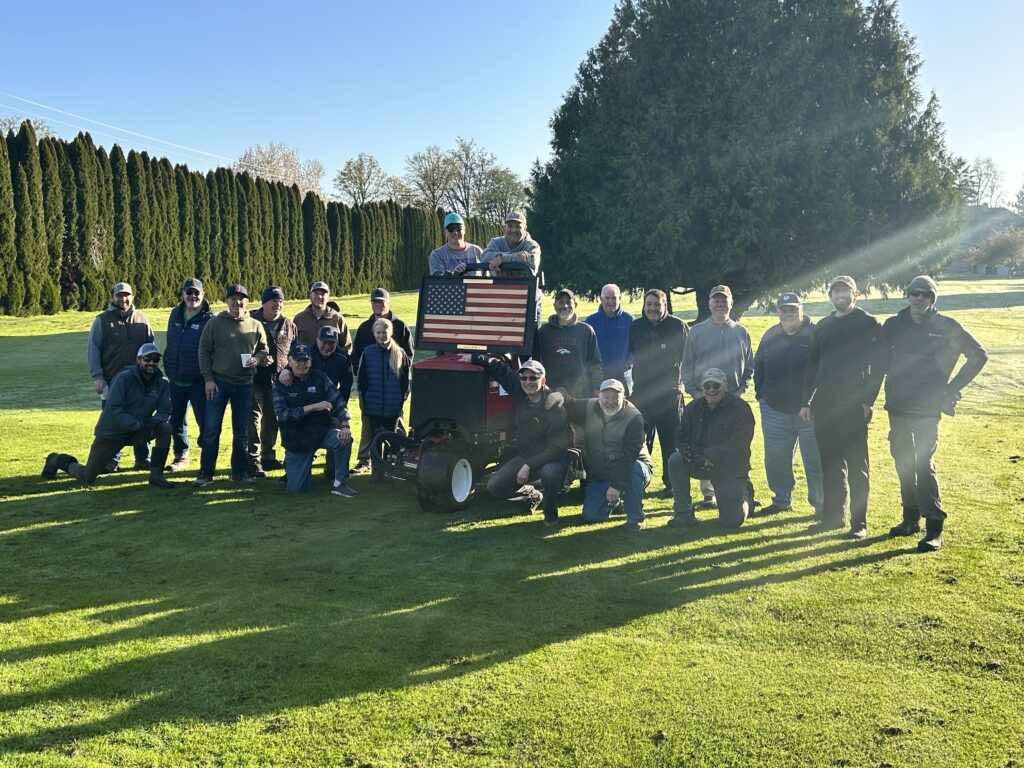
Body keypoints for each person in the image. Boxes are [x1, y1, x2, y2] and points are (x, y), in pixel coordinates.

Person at [882, 275, 988, 552]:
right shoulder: (893, 325)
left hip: (927, 409)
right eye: (915, 293)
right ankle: (909, 520)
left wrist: (950, 389)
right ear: (907, 296)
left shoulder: (947, 327)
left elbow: (979, 355)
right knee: (903, 462)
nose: (920, 299)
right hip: (898, 407)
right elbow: (877, 358)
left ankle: (934, 528)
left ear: (932, 299)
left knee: (922, 464)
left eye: (926, 295)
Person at [799, 275, 884, 538]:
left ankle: (859, 524)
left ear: (855, 294)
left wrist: (868, 401)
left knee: (857, 467)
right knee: (830, 465)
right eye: (836, 292)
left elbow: (879, 366)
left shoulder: (868, 323)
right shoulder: (823, 325)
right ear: (830, 296)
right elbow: (812, 365)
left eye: (846, 291)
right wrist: (806, 401)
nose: (841, 296)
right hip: (824, 404)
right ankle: (833, 518)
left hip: (853, 405)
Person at [43, 343, 175, 489]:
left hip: (140, 430)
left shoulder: (162, 383)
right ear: (138, 360)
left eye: (155, 359)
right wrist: (136, 424)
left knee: (165, 428)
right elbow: (114, 408)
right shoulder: (123, 378)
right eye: (147, 359)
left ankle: (157, 476)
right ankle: (56, 459)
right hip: (112, 432)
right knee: (87, 478)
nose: (151, 363)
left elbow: (164, 410)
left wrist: (151, 423)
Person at [471, 357, 572, 525]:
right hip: (526, 457)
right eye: (523, 377)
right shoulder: (521, 391)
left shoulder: (555, 408)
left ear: (543, 380)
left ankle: (550, 512)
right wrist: (475, 357)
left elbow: (556, 450)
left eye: (533, 378)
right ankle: (532, 496)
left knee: (549, 473)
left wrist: (528, 466)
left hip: (553, 460)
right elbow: (501, 370)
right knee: (495, 486)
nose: (527, 382)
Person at [681, 284, 754, 507]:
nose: (720, 304)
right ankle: (709, 494)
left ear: (731, 303)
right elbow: (687, 366)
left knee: (737, 443)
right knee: (704, 440)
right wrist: (695, 393)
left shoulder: (741, 332)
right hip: (705, 400)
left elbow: (749, 366)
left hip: (733, 402)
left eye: (724, 300)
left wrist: (740, 390)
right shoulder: (696, 332)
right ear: (709, 304)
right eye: (716, 300)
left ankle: (741, 486)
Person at [752, 292, 824, 517]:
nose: (788, 314)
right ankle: (781, 500)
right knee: (776, 459)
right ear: (778, 312)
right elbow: (758, 366)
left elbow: (824, 369)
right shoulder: (770, 335)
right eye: (784, 310)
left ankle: (821, 505)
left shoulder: (816, 333)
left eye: (793, 309)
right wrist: (761, 394)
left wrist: (814, 401)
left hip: (811, 412)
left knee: (815, 461)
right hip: (774, 410)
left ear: (801, 310)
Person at [549, 379, 653, 530]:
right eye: (606, 397)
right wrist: (560, 394)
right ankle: (616, 503)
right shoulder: (588, 406)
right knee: (591, 516)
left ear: (624, 397)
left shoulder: (634, 418)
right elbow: (569, 402)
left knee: (635, 468)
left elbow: (629, 457)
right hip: (602, 473)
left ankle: (636, 519)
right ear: (598, 396)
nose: (610, 402)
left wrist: (616, 486)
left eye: (615, 398)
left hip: (632, 468)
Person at [193, 284, 269, 488]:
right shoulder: (214, 324)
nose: (238, 303)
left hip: (245, 385)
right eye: (233, 299)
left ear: (247, 301)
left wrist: (257, 359)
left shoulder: (255, 325)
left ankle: (239, 472)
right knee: (211, 430)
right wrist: (208, 379)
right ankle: (206, 473)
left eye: (241, 299)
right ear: (227, 301)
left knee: (241, 432)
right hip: (219, 383)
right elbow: (203, 351)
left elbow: (264, 349)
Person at [667, 368, 755, 529]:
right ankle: (683, 512)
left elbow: (739, 445)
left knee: (732, 521)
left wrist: (705, 454)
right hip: (699, 461)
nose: (711, 390)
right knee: (676, 460)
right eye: (707, 386)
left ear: (726, 387)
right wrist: (690, 453)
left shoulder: (741, 408)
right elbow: (680, 437)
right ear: (702, 388)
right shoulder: (693, 407)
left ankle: (746, 494)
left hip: (730, 467)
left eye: (716, 385)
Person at [272, 342, 356, 497]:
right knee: (297, 489)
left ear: (310, 361)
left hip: (321, 433)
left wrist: (345, 425)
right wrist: (313, 407)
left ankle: (340, 484)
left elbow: (338, 401)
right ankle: (296, 469)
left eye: (306, 360)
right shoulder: (280, 384)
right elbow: (283, 415)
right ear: (290, 361)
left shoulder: (320, 377)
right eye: (298, 360)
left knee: (344, 439)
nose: (302, 364)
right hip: (297, 440)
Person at [86, 281, 154, 471]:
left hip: (139, 381)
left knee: (141, 417)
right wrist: (98, 376)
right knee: (112, 421)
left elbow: (150, 348)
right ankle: (111, 460)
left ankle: (143, 458)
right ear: (113, 297)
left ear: (132, 297)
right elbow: (94, 350)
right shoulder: (102, 320)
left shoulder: (142, 319)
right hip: (112, 381)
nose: (123, 299)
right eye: (119, 295)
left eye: (126, 295)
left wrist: (151, 374)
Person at [628, 288, 689, 495]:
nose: (652, 308)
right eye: (649, 304)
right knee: (640, 441)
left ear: (665, 305)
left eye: (657, 304)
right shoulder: (636, 326)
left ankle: (671, 485)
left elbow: (688, 358)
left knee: (671, 442)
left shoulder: (678, 326)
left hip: (669, 395)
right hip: (642, 394)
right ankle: (639, 483)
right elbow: (632, 352)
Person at [351, 288, 414, 473]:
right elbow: (357, 354)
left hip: (393, 393)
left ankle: (397, 461)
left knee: (395, 429)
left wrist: (402, 394)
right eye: (375, 302)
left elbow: (408, 357)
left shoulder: (400, 326)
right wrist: (364, 387)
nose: (378, 305)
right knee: (369, 427)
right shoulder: (364, 327)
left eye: (381, 301)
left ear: (388, 302)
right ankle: (366, 461)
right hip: (372, 391)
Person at [164, 277, 214, 472]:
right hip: (175, 379)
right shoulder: (175, 314)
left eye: (196, 293)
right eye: (189, 292)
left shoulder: (210, 318)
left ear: (203, 295)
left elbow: (213, 350)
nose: (193, 296)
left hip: (199, 381)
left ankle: (207, 458)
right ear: (183, 294)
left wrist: (209, 377)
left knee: (205, 421)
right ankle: (181, 455)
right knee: (176, 420)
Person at [248, 286, 296, 476]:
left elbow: (294, 351)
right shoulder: (251, 322)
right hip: (253, 379)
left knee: (272, 420)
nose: (277, 305)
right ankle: (252, 459)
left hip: (278, 381)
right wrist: (258, 359)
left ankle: (268, 457)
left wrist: (290, 369)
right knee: (252, 420)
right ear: (264, 303)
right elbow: (242, 348)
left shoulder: (289, 325)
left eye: (280, 301)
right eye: (273, 301)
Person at [356, 318, 411, 482]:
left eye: (384, 332)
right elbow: (362, 380)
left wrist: (401, 400)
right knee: (375, 440)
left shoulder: (399, 353)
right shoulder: (368, 353)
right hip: (373, 406)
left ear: (391, 333)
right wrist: (366, 399)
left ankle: (388, 469)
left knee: (390, 439)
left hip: (392, 406)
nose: (382, 336)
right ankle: (376, 470)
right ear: (374, 333)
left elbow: (405, 381)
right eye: (378, 332)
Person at [534, 289, 603, 399]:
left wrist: (597, 387)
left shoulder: (586, 331)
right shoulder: (543, 332)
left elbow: (595, 363)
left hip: (582, 394)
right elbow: (536, 363)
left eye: (568, 302)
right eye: (561, 302)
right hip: (551, 393)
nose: (565, 306)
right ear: (554, 306)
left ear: (575, 305)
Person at [585, 283, 634, 393]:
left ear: (620, 298)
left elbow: (636, 346)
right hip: (599, 376)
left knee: (625, 403)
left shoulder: (629, 320)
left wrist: (628, 363)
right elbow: (586, 350)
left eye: (614, 298)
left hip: (623, 375)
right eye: (607, 298)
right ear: (601, 299)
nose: (610, 301)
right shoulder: (591, 321)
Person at [293, 280, 352, 352]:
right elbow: (292, 345)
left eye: (323, 294)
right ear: (310, 296)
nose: (319, 296)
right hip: (305, 359)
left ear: (328, 297)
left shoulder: (338, 319)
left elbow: (347, 347)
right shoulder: (299, 318)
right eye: (316, 293)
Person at [482, 210, 541, 276]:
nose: (513, 230)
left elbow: (532, 263)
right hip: (499, 282)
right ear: (505, 228)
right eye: (510, 226)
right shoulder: (496, 242)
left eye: (518, 227)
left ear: (525, 228)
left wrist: (502, 259)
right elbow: (484, 257)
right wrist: (514, 255)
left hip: (523, 283)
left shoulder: (532, 246)